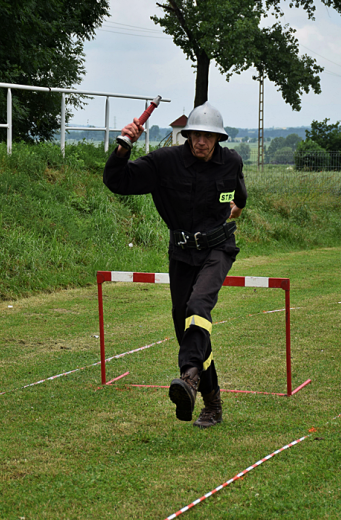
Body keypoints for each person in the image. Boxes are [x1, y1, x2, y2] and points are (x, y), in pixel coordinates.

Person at [103, 102, 247, 429]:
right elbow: (117, 181)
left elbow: (239, 194)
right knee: (187, 326)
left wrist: (235, 209)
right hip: (182, 253)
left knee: (198, 307)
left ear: (218, 139)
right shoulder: (164, 163)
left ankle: (189, 377)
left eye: (208, 137)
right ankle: (212, 404)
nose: (201, 142)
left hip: (218, 248)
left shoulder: (231, 162)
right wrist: (123, 146)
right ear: (187, 135)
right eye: (196, 135)